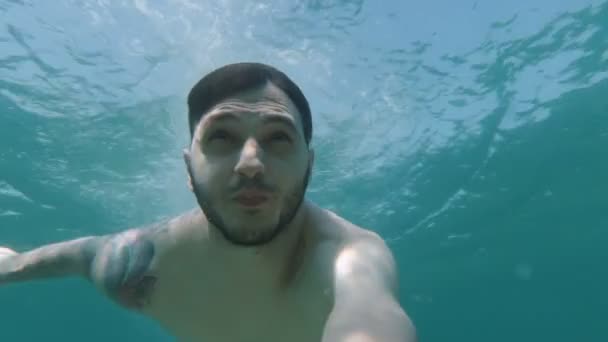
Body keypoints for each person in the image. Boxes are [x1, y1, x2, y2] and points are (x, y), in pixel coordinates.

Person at [0, 62, 417, 342]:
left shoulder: (351, 257)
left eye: (278, 137)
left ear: (309, 165)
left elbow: (370, 318)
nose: (251, 163)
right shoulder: (136, 264)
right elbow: (51, 259)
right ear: (188, 167)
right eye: (221, 137)